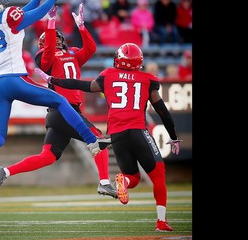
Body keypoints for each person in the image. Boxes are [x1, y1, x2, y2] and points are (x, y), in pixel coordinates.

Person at [0, 0, 109, 193]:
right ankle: (92, 140)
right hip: (13, 79)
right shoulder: (8, 16)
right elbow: (32, 16)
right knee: (59, 99)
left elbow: (22, 16)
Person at [35, 42, 182, 231]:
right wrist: (173, 136)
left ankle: (123, 181)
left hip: (116, 136)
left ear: (119, 59)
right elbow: (162, 112)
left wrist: (53, 79)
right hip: (139, 131)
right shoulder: (148, 79)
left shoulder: (108, 75)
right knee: (158, 175)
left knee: (132, 177)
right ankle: (161, 221)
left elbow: (82, 85)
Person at [0, 4, 116, 198]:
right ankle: (104, 182)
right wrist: (50, 23)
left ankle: (5, 171)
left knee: (47, 157)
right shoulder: (44, 55)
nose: (57, 40)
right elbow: (48, 54)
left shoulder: (73, 53)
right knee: (98, 139)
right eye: (53, 38)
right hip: (63, 111)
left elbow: (91, 49)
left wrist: (82, 27)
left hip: (65, 114)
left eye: (59, 37)